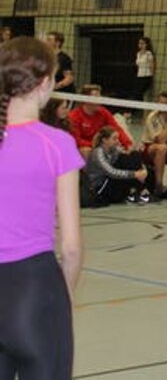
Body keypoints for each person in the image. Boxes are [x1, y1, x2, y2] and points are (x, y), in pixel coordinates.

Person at [0, 37, 83, 380]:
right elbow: (72, 247)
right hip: (34, 290)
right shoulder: (57, 143)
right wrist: (60, 302)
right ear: (46, 82)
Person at [86, 127, 150, 205]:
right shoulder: (98, 153)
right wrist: (135, 174)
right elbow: (110, 172)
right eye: (114, 139)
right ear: (104, 140)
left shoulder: (113, 150)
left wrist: (143, 169)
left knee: (134, 155)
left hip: (109, 182)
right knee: (125, 162)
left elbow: (128, 158)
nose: (117, 142)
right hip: (100, 187)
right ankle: (140, 191)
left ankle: (139, 191)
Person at [68, 85, 134, 158]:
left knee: (123, 148)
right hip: (85, 147)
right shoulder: (74, 116)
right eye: (96, 97)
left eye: (100, 96)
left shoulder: (103, 112)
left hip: (102, 145)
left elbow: (116, 128)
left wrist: (128, 144)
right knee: (86, 151)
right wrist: (98, 146)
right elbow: (76, 140)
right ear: (85, 99)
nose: (100, 100)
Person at [134, 36, 155, 101]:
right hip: (139, 76)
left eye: (142, 43)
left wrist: (151, 76)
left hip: (146, 76)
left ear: (146, 44)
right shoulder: (138, 53)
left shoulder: (148, 53)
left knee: (139, 93)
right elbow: (138, 65)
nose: (140, 45)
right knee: (136, 93)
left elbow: (152, 65)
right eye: (139, 43)